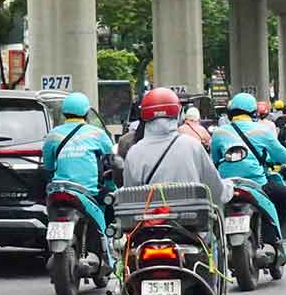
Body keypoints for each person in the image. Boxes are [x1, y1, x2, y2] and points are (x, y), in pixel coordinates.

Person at [42, 93, 116, 268]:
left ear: (64, 112)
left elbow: (49, 166)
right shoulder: (97, 134)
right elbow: (110, 160)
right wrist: (111, 184)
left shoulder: (52, 135)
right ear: (86, 112)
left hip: (58, 190)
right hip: (87, 192)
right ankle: (108, 250)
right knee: (109, 203)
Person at [211, 93, 286, 247]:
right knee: (285, 195)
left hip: (226, 185)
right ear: (254, 112)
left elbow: (214, 160)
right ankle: (282, 240)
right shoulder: (262, 131)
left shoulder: (219, 133)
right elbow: (282, 155)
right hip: (256, 185)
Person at [125, 88, 233, 206]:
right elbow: (216, 192)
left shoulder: (134, 152)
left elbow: (130, 198)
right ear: (178, 115)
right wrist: (229, 187)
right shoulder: (193, 146)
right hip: (191, 222)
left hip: (148, 221)